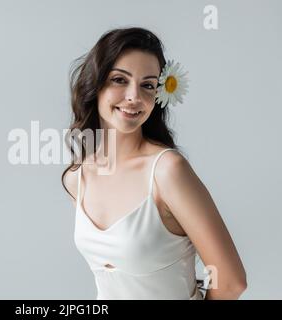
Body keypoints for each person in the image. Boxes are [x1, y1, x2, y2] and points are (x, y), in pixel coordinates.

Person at [61, 27, 247, 299]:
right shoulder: (78, 178)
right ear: (95, 84)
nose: (134, 97)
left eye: (147, 85)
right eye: (119, 80)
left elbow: (231, 282)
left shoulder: (167, 171)